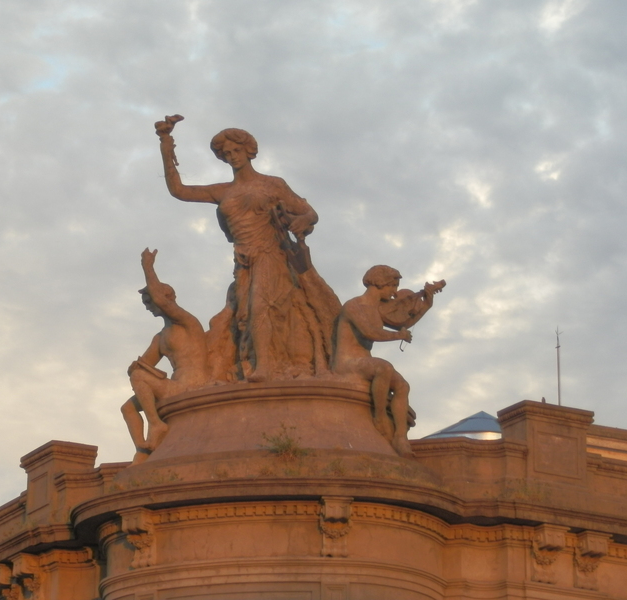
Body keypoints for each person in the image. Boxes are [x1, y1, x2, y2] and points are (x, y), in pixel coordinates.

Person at [155, 116, 340, 382]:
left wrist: (301, 221)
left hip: (271, 254)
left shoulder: (272, 185)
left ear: (248, 151)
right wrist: (165, 143)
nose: (232, 156)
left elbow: (309, 213)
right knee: (241, 313)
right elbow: (179, 190)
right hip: (243, 261)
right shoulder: (223, 191)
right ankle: (251, 363)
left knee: (259, 305)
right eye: (226, 153)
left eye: (236, 151)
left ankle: (265, 367)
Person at [333, 266, 442, 457]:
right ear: (380, 283)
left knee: (402, 385)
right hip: (347, 363)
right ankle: (380, 417)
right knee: (384, 367)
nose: (395, 293)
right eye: (393, 286)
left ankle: (400, 438)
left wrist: (427, 304)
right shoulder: (354, 306)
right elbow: (370, 332)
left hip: (365, 363)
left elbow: (404, 322)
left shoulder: (378, 310)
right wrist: (398, 335)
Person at [122, 248, 210, 463]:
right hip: (174, 386)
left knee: (139, 378)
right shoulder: (160, 337)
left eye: (149, 303)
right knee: (128, 408)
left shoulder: (188, 323)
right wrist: (135, 367)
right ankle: (143, 449)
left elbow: (162, 301)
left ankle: (156, 424)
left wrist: (148, 268)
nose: (149, 308)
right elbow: (144, 365)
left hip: (194, 383)